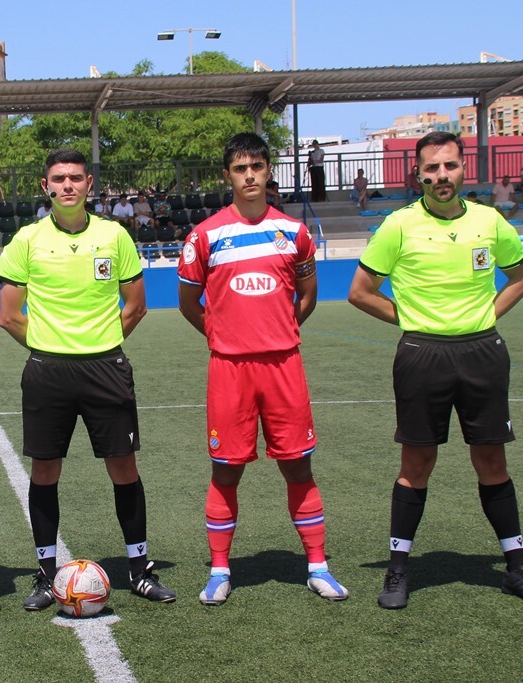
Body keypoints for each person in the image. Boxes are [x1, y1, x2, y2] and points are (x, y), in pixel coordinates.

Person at [348, 131, 523, 610]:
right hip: (422, 354)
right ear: (417, 175)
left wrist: (486, 316)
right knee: (416, 465)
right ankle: (398, 572)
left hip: (483, 353)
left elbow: (522, 277)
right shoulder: (398, 226)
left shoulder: (490, 221)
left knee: (492, 461)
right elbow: (360, 292)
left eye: (450, 166)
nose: (442, 176)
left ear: (464, 169)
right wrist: (412, 319)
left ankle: (517, 568)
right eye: (432, 168)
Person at [0, 148, 176, 610]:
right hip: (47, 372)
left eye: (76, 177)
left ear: (89, 184)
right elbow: (9, 316)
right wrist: (52, 347)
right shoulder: (27, 240)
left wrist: (100, 344)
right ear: (46, 186)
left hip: (105, 368)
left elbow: (136, 305)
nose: (68, 186)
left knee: (123, 467)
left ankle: (139, 569)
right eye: (59, 179)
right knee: (45, 471)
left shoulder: (114, 236)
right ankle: (45, 575)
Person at [178, 132, 348, 607]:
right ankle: (219, 570)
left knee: (298, 466)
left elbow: (307, 296)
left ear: (268, 171)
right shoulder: (205, 235)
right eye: (240, 168)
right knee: (226, 471)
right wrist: (222, 336)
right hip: (230, 370)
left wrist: (279, 331)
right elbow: (189, 303)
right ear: (227, 176)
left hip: (283, 366)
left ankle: (318, 566)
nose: (249, 176)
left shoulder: (294, 232)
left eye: (256, 166)